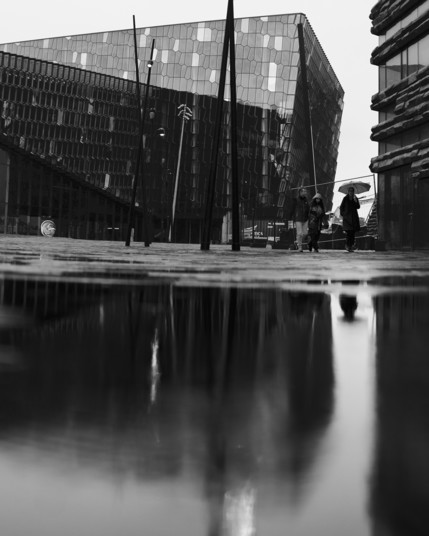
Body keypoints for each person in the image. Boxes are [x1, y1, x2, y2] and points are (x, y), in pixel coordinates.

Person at [340, 186, 360, 252]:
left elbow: (358, 206)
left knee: (352, 233)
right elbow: (341, 207)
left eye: (352, 191)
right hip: (347, 219)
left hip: (354, 218)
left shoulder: (355, 198)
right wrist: (343, 214)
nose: (351, 192)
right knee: (348, 233)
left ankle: (350, 246)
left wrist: (356, 201)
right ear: (348, 192)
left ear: (353, 192)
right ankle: (348, 246)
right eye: (350, 191)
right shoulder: (345, 198)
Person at [289, 187, 309, 252]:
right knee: (299, 233)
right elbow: (292, 208)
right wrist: (290, 217)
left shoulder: (306, 200)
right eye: (304, 191)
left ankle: (297, 241)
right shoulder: (296, 200)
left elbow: (308, 209)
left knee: (305, 233)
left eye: (305, 191)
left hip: (305, 219)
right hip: (298, 218)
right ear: (300, 192)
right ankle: (300, 246)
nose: (305, 193)